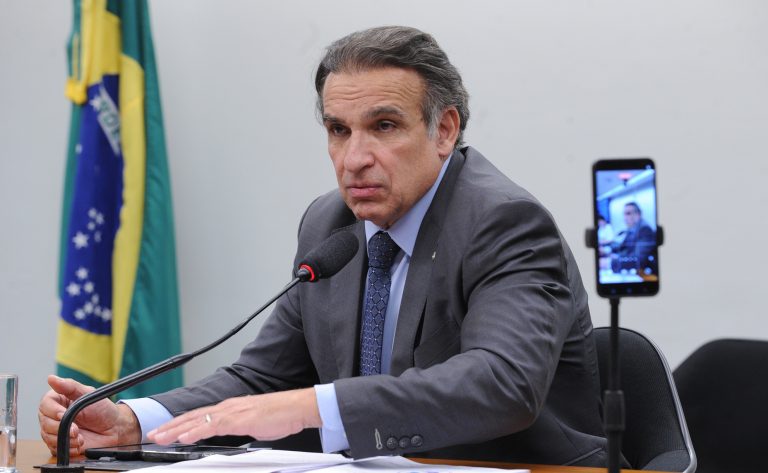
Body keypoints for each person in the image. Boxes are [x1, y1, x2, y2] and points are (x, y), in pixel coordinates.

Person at [39, 26, 609, 466]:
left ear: (444, 130)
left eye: (383, 126)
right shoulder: (330, 223)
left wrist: (311, 405)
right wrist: (135, 421)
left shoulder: (503, 222)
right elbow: (263, 379)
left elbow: (503, 384)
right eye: (339, 130)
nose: (353, 158)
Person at [610, 202, 657, 274]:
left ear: (638, 214)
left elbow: (639, 259)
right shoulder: (632, 229)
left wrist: (610, 263)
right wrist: (608, 253)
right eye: (624, 214)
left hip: (644, 274)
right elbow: (623, 248)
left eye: (628, 213)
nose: (625, 218)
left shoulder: (644, 229)